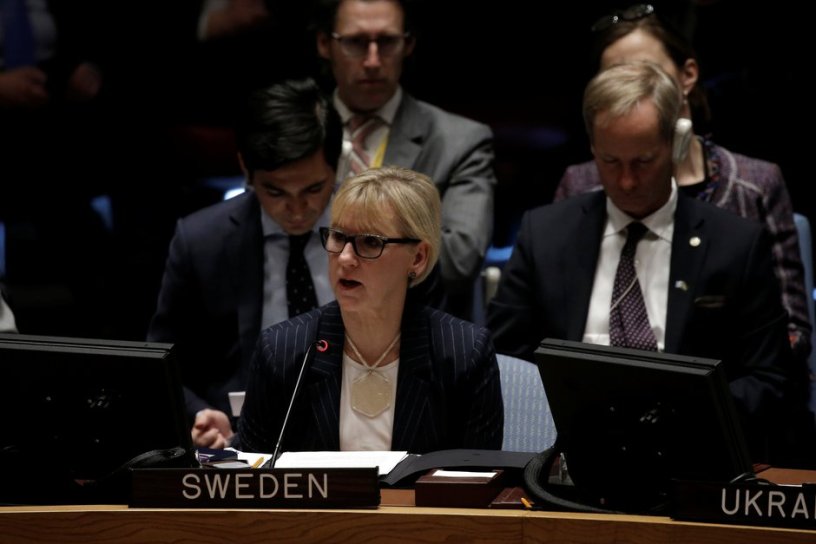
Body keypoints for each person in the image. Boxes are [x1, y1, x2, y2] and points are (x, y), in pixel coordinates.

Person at [487, 61, 811, 466]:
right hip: (567, 456)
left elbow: (770, 379)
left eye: (643, 161)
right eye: (610, 161)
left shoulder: (736, 244)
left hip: (692, 460)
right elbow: (504, 362)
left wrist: (683, 419)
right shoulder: (545, 234)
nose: (626, 181)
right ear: (593, 148)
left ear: (676, 145)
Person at [553, 3, 812, 361]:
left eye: (647, 72)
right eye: (616, 77)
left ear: (687, 75)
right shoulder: (582, 184)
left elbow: (791, 331)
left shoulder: (753, 185)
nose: (632, 90)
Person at [235, 166, 503, 453]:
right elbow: (252, 471)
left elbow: (478, 475)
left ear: (418, 258)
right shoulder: (282, 351)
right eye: (338, 237)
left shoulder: (464, 355)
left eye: (370, 242)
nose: (345, 258)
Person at [147, 78, 342, 449]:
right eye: (275, 191)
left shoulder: (378, 236)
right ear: (245, 170)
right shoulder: (201, 242)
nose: (297, 209)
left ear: (336, 168)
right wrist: (200, 414)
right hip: (241, 442)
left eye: (314, 189)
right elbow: (162, 363)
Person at [315, 0, 497, 319]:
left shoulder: (459, 141)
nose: (373, 61)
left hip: (408, 329)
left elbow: (459, 260)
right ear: (325, 44)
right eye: (356, 42)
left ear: (408, 44)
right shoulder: (298, 133)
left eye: (387, 42)